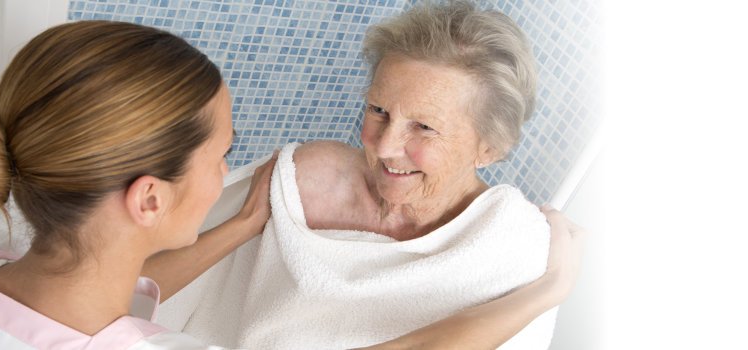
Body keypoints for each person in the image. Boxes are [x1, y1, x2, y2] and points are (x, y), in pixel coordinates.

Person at [0, 20, 582, 349]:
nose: (237, 170)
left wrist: (242, 226)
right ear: (149, 199)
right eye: (224, 155)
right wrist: (550, 291)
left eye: (422, 126)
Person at [150, 1, 583, 348]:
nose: (385, 145)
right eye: (378, 110)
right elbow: (135, 279)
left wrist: (547, 285)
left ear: (490, 146)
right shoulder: (308, 179)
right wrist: (245, 223)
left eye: (424, 127)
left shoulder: (510, 248)